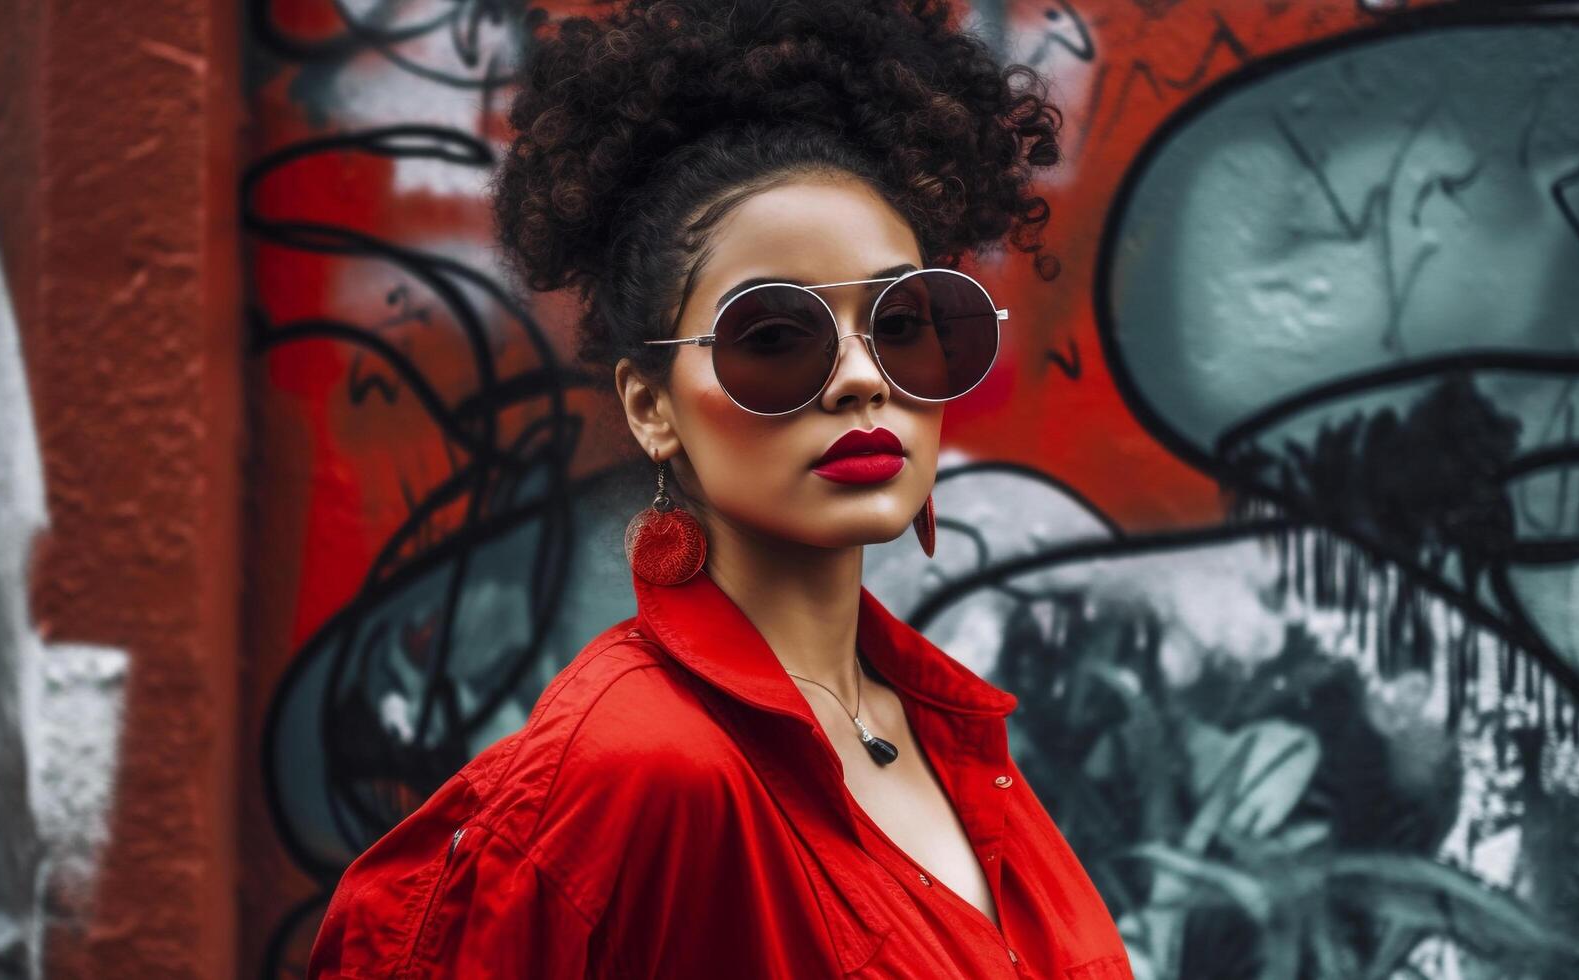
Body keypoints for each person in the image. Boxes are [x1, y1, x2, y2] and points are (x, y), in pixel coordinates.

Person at [308, 0, 1132, 976]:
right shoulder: (639, 763)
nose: (863, 378)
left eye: (904, 322)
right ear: (651, 407)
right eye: (775, 336)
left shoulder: (946, 729)